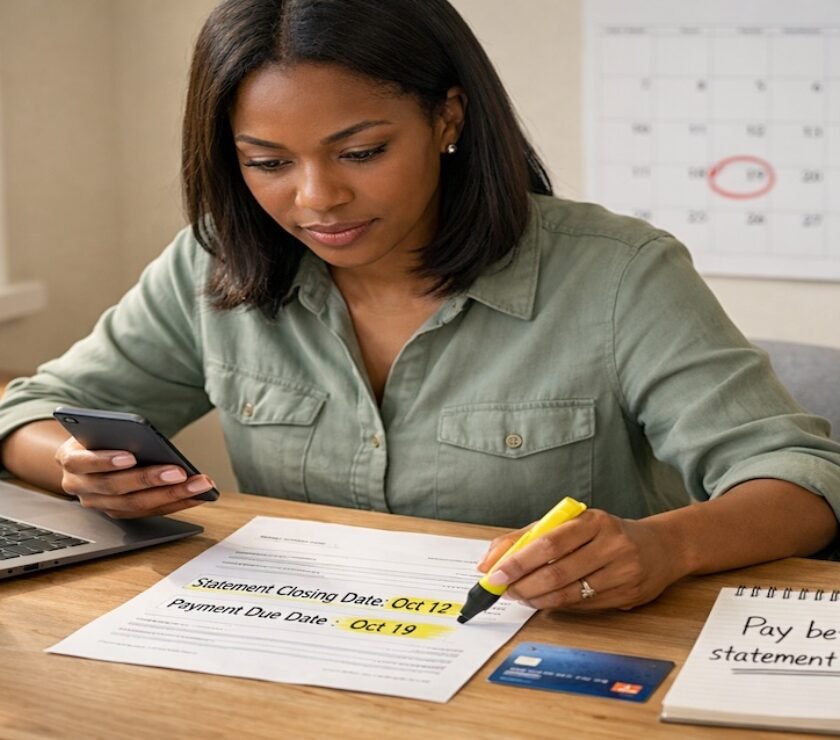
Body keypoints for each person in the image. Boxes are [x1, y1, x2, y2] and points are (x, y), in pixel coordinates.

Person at [1, 0, 839, 613]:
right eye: (267, 163)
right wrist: (76, 463)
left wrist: (663, 545)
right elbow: (30, 410)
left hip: (559, 660)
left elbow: (802, 479)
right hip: (299, 645)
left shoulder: (618, 272)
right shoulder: (218, 260)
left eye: (362, 151)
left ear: (448, 117)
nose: (316, 198)